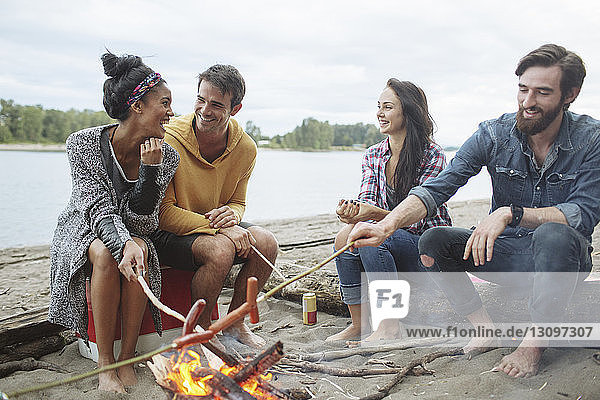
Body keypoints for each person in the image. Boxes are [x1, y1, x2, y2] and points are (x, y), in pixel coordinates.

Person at [348, 44, 600, 378]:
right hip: (507, 258)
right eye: (523, 90)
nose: (527, 102)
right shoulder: (494, 134)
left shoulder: (591, 139)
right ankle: (484, 328)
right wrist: (387, 224)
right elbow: (439, 187)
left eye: (542, 93)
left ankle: (533, 344)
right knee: (435, 240)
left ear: (570, 94)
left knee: (553, 234)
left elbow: (583, 213)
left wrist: (511, 213)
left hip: (564, 260)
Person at [49, 52, 179, 393]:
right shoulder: (83, 143)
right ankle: (106, 363)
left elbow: (144, 222)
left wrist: (150, 173)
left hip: (134, 232)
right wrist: (122, 243)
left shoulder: (168, 156)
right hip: (84, 226)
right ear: (137, 106)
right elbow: (97, 209)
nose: (171, 112)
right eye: (164, 103)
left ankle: (129, 357)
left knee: (141, 250)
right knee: (107, 255)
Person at [151, 64, 277, 349]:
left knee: (267, 244)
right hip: (168, 231)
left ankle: (234, 324)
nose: (205, 110)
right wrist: (222, 230)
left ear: (235, 109)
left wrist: (232, 216)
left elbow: (237, 201)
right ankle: (202, 330)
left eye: (216, 104)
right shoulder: (169, 138)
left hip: (210, 228)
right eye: (201, 99)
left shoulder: (246, 148)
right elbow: (163, 213)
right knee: (220, 251)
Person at [326, 80, 451, 343]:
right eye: (378, 107)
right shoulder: (373, 155)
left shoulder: (433, 155)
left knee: (372, 236)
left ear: (408, 111)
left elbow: (418, 220)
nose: (379, 113)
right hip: (392, 242)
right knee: (345, 236)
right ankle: (359, 324)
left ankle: (389, 325)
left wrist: (370, 215)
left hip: (425, 251)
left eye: (387, 107)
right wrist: (353, 213)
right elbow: (367, 200)